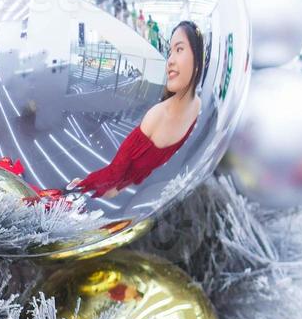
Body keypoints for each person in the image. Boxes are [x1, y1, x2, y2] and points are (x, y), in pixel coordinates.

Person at [69, 20, 206, 199]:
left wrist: (117, 188)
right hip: (109, 192)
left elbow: (135, 171)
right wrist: (85, 186)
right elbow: (115, 171)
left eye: (179, 49)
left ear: (197, 60)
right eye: (170, 52)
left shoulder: (197, 106)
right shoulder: (156, 116)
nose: (170, 60)